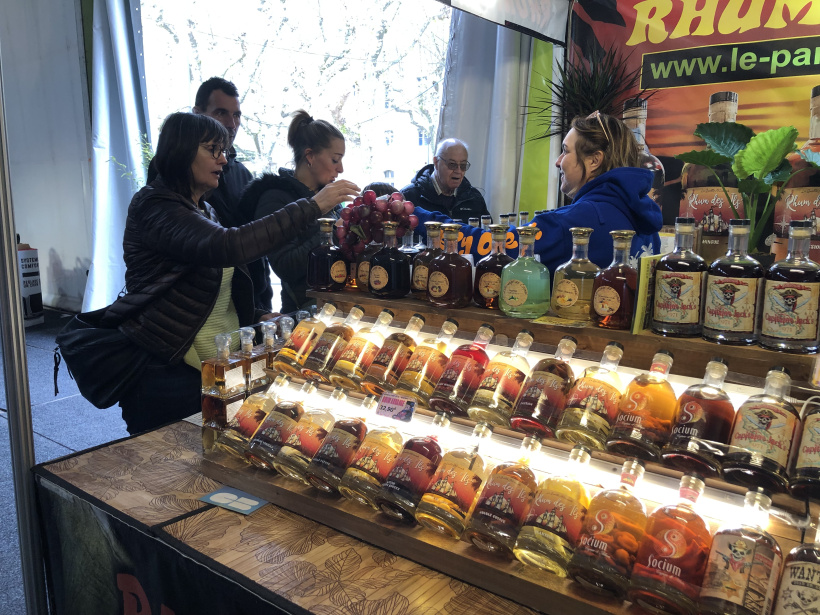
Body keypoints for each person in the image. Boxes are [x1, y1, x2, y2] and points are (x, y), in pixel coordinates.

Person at [112, 112, 359, 434]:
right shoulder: (155, 206)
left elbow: (209, 288)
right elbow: (229, 246)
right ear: (182, 151)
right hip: (168, 369)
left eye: (224, 150)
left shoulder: (203, 209)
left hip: (215, 364)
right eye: (213, 150)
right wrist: (313, 207)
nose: (224, 160)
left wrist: (255, 315)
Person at [413, 113, 662, 273]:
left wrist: (417, 216)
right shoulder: (645, 221)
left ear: (594, 160)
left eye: (565, 151)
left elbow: (491, 246)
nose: (558, 161)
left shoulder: (577, 220)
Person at [147, 77, 272, 311]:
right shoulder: (164, 182)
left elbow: (253, 243)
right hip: (193, 312)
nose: (231, 124)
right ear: (197, 113)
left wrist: (257, 307)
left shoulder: (242, 173)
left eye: (236, 115)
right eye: (221, 113)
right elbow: (226, 243)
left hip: (246, 301)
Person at [239, 110, 349, 313]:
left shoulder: (329, 197)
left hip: (337, 308)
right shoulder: (275, 198)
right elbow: (285, 267)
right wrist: (331, 230)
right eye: (335, 159)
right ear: (310, 156)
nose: (340, 168)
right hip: (304, 315)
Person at [400, 138, 490, 221]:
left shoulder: (473, 198)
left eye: (463, 165)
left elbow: (487, 235)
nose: (458, 171)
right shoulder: (409, 197)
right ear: (436, 162)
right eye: (452, 164)